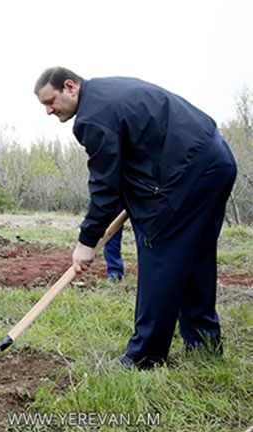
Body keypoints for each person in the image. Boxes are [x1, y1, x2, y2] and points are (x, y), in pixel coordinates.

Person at [34, 67, 237, 370]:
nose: (49, 111)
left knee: (159, 257)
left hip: (188, 173)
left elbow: (105, 185)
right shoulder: (107, 93)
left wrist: (86, 241)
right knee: (196, 259)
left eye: (50, 102)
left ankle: (145, 355)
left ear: (70, 87)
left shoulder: (92, 117)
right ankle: (204, 345)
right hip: (216, 159)